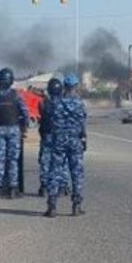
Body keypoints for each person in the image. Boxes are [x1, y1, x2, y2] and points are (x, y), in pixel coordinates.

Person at [45, 73, 87, 217]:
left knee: (55, 171)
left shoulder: (56, 102)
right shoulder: (79, 103)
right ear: (75, 87)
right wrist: (83, 138)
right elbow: (83, 123)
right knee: (76, 173)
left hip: (59, 140)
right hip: (75, 140)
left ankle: (52, 206)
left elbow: (49, 120)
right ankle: (76, 206)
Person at [0, 68, 29, 199]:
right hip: (14, 130)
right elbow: (25, 113)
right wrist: (24, 127)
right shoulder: (16, 95)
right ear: (11, 80)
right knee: (12, 161)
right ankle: (12, 189)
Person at [37, 77, 62, 197]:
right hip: (60, 136)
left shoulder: (43, 103)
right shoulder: (64, 103)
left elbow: (42, 114)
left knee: (45, 161)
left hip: (46, 134)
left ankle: (44, 186)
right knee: (61, 161)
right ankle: (62, 185)